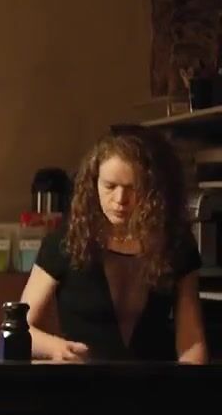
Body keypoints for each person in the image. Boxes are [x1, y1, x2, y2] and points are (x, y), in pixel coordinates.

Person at [20, 133, 207, 363]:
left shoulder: (174, 244)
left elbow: (192, 340)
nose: (120, 199)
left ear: (151, 189)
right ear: (93, 184)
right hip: (84, 379)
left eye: (132, 187)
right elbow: (20, 327)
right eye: (110, 186)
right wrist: (56, 348)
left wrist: (191, 382)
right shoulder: (67, 241)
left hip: (154, 379)